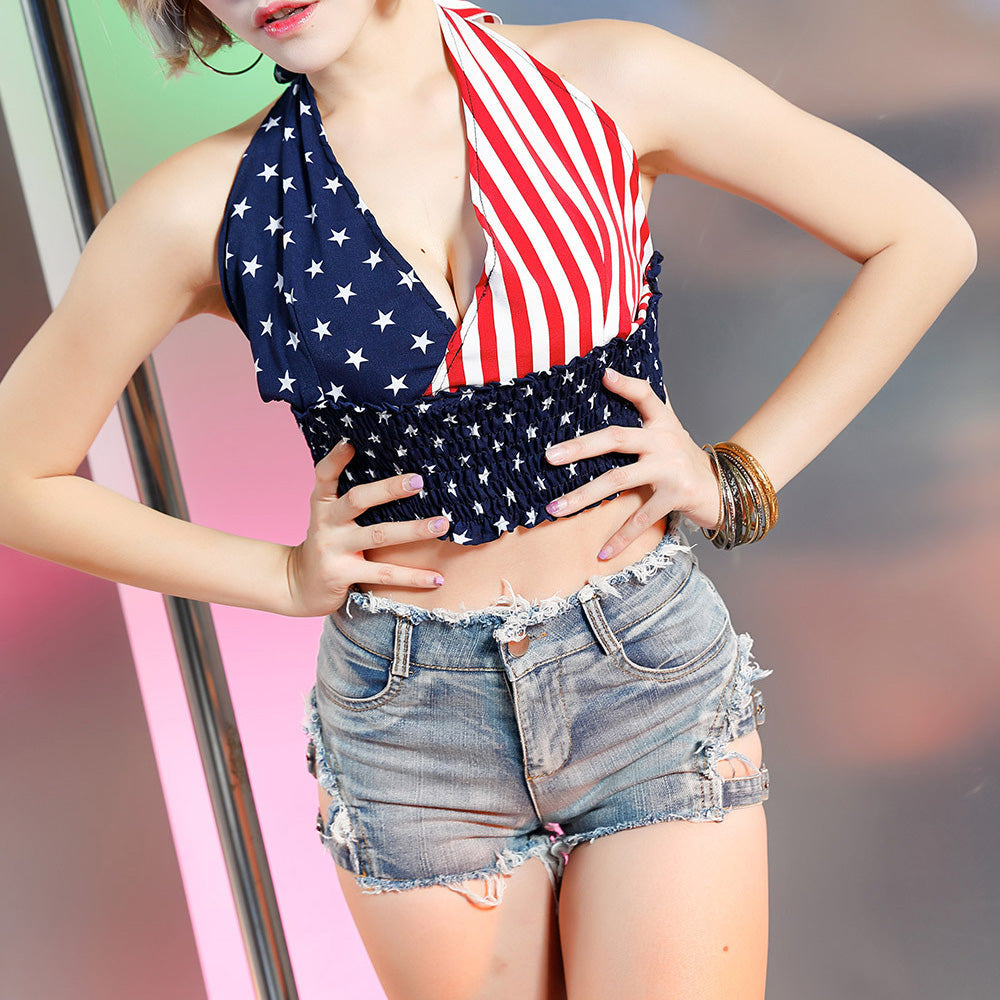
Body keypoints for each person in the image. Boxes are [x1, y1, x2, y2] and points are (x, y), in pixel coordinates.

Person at [0, 0, 977, 997]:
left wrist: (738, 474)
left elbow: (920, 236)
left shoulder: (613, 81)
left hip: (638, 671)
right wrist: (279, 576)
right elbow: (14, 472)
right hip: (411, 716)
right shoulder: (205, 206)